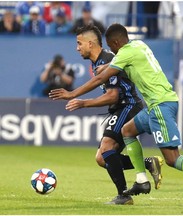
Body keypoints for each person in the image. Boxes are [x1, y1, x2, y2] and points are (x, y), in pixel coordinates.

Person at [49, 23, 183, 208]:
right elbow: (126, 63)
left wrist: (73, 94)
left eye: (111, 46)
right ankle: (141, 180)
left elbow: (100, 79)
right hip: (152, 106)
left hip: (161, 105)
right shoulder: (139, 45)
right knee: (127, 131)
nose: (111, 51)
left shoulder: (125, 53)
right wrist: (108, 65)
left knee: (172, 158)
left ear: (115, 43)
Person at [49, 24, 163, 205]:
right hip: (120, 108)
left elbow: (113, 95)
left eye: (79, 43)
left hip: (128, 106)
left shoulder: (107, 59)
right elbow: (102, 87)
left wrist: (81, 102)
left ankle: (124, 195)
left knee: (107, 147)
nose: (77, 48)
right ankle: (148, 163)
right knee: (102, 158)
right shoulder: (98, 62)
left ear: (90, 44)